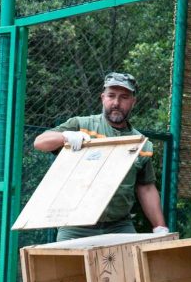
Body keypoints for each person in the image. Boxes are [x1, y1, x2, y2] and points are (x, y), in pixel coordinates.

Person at [33, 72, 169, 241]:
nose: (116, 103)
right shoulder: (81, 125)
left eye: (124, 97)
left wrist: (159, 227)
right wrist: (66, 137)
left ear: (133, 102)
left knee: (130, 266)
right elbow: (40, 142)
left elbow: (146, 188)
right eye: (111, 96)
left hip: (119, 226)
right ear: (102, 97)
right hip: (75, 226)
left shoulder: (141, 144)